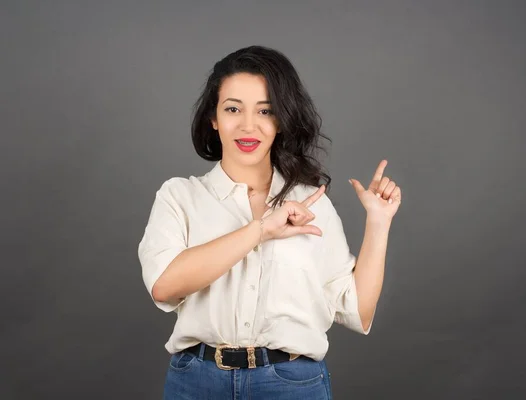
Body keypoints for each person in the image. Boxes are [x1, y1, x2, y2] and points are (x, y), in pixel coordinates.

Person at [137, 45, 402, 399]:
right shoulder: (180, 197)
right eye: (233, 109)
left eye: (266, 111)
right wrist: (261, 230)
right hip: (197, 383)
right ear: (213, 118)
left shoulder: (311, 204)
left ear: (281, 120)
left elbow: (358, 312)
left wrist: (379, 223)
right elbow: (164, 286)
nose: (248, 126)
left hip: (290, 384)